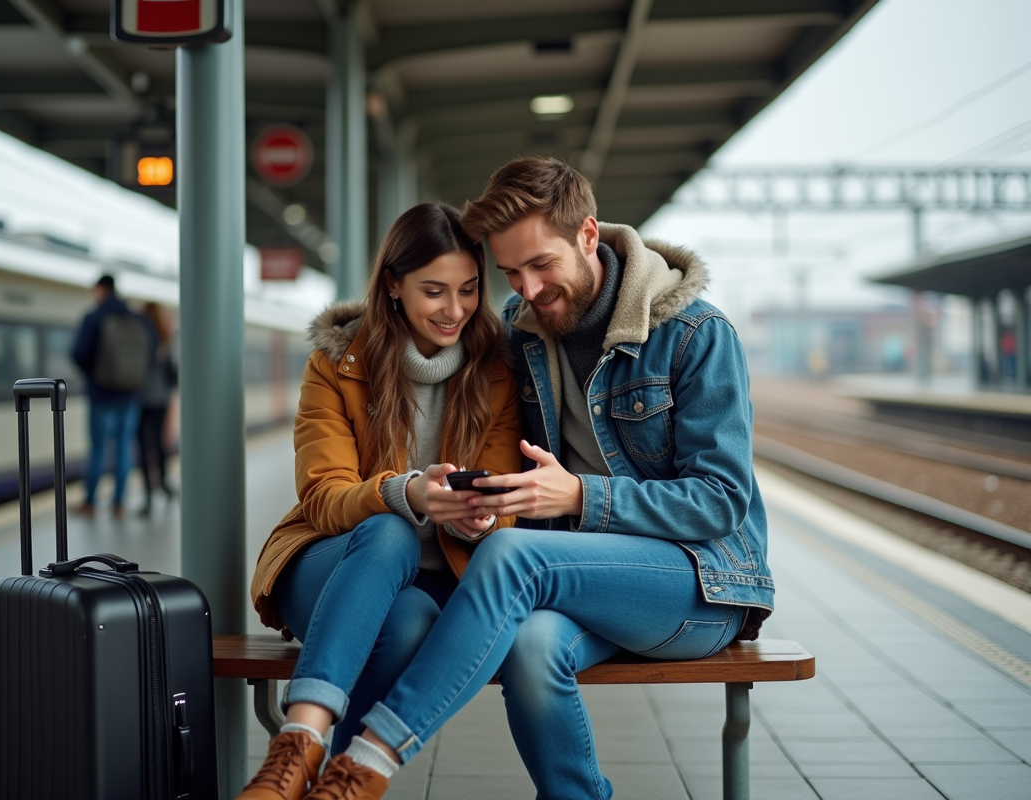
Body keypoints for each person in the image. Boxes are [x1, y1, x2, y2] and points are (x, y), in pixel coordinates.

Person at [289, 157, 775, 800]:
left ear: (588, 235)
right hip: (585, 578)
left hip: (699, 584)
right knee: (530, 643)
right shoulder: (524, 334)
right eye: (512, 273)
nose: (530, 288)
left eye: (542, 264)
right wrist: (482, 506)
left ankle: (364, 766)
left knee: (515, 557)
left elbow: (722, 501)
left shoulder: (695, 335)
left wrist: (579, 495)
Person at [237, 203, 522, 800]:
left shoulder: (497, 371)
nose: (454, 310)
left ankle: (331, 784)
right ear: (392, 284)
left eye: (469, 289)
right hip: (332, 563)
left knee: (411, 621)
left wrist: (478, 517)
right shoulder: (336, 364)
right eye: (433, 291)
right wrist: (407, 493)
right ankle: (299, 740)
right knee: (390, 531)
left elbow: (503, 498)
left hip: (434, 581)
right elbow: (323, 496)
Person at [71, 274, 156, 519]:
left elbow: (78, 353)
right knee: (123, 449)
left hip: (101, 394)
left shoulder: (94, 317)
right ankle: (119, 503)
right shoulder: (139, 319)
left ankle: (91, 502)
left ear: (100, 290)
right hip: (130, 396)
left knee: (98, 449)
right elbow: (151, 354)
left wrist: (97, 375)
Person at [137, 301, 178, 516]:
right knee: (160, 444)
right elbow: (173, 371)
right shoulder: (165, 337)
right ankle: (164, 484)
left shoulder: (140, 335)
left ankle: (148, 495)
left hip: (140, 398)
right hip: (161, 398)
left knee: (144, 447)